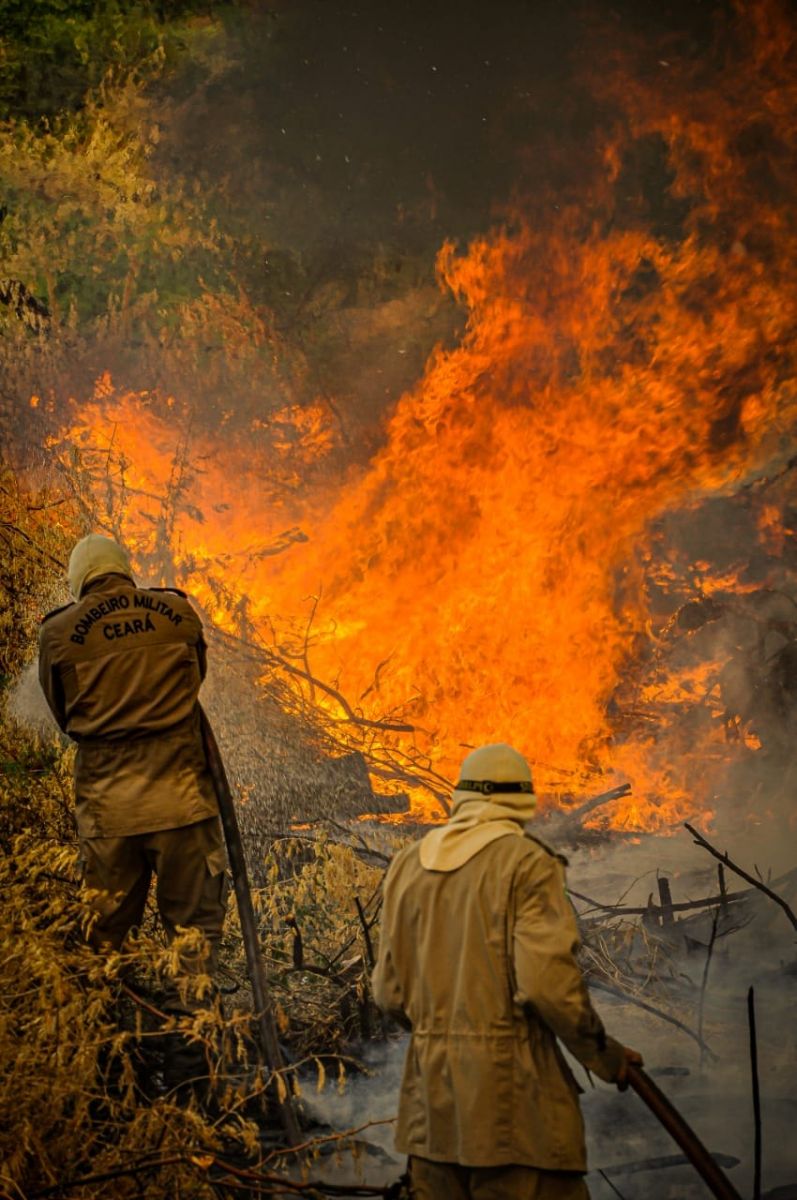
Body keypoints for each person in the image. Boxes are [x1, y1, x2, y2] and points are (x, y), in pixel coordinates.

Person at [371, 743, 643, 1200]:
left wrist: (441, 1035)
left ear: (462, 797)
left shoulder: (407, 865)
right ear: (520, 802)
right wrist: (604, 1056)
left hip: (432, 1114)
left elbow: (388, 994)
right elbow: (546, 986)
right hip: (517, 1113)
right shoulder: (527, 863)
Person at [38, 534, 228, 1080]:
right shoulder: (176, 612)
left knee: (99, 942)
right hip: (184, 806)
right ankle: (192, 1070)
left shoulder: (58, 633)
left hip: (109, 816)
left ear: (79, 581)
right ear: (125, 569)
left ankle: (95, 1065)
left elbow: (65, 717)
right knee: (193, 940)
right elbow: (194, 682)